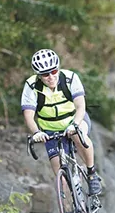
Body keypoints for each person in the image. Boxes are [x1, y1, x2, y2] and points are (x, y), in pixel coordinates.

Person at [20, 48, 102, 195]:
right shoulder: (31, 86)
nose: (51, 76)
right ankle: (72, 212)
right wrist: (37, 132)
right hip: (50, 129)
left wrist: (74, 125)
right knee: (60, 177)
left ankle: (91, 174)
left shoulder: (70, 78)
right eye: (45, 74)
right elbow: (28, 116)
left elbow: (80, 106)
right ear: (38, 75)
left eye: (54, 71)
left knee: (78, 135)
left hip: (75, 119)